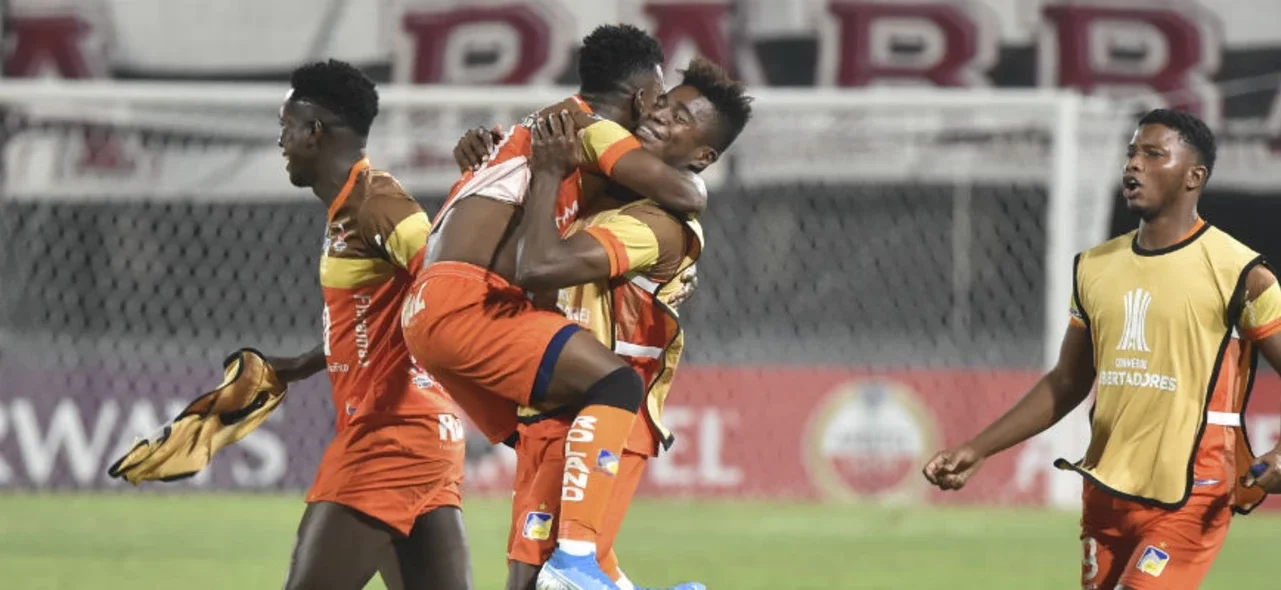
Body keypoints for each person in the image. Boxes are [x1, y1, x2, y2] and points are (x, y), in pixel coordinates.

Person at [401, 24, 709, 589]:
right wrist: (697, 187)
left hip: (428, 311)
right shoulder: (585, 128)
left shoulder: (534, 131)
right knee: (616, 386)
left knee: (553, 440)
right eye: (659, 99)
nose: (660, 113)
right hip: (469, 304)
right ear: (640, 96)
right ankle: (575, 564)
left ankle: (599, 576)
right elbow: (684, 193)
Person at [922, 108, 1281, 590]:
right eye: (1132, 153)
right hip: (1106, 492)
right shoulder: (1094, 267)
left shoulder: (1240, 272)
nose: (1134, 165)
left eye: (1154, 154)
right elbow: (1067, 381)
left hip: (1193, 492)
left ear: (1195, 176)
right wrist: (978, 448)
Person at [499, 57, 752, 590]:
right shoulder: (612, 195)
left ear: (703, 156)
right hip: (565, 402)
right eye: (664, 102)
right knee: (558, 576)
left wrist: (545, 172)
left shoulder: (657, 225)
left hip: (600, 414)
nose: (661, 116)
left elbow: (539, 266)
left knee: (540, 578)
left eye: (682, 118)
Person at [265, 59, 470, 590]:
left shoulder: (379, 205)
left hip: (391, 437)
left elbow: (451, 289)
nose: (280, 140)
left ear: (314, 132)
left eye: (286, 126)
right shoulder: (349, 207)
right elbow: (381, 317)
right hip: (420, 434)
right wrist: (300, 365)